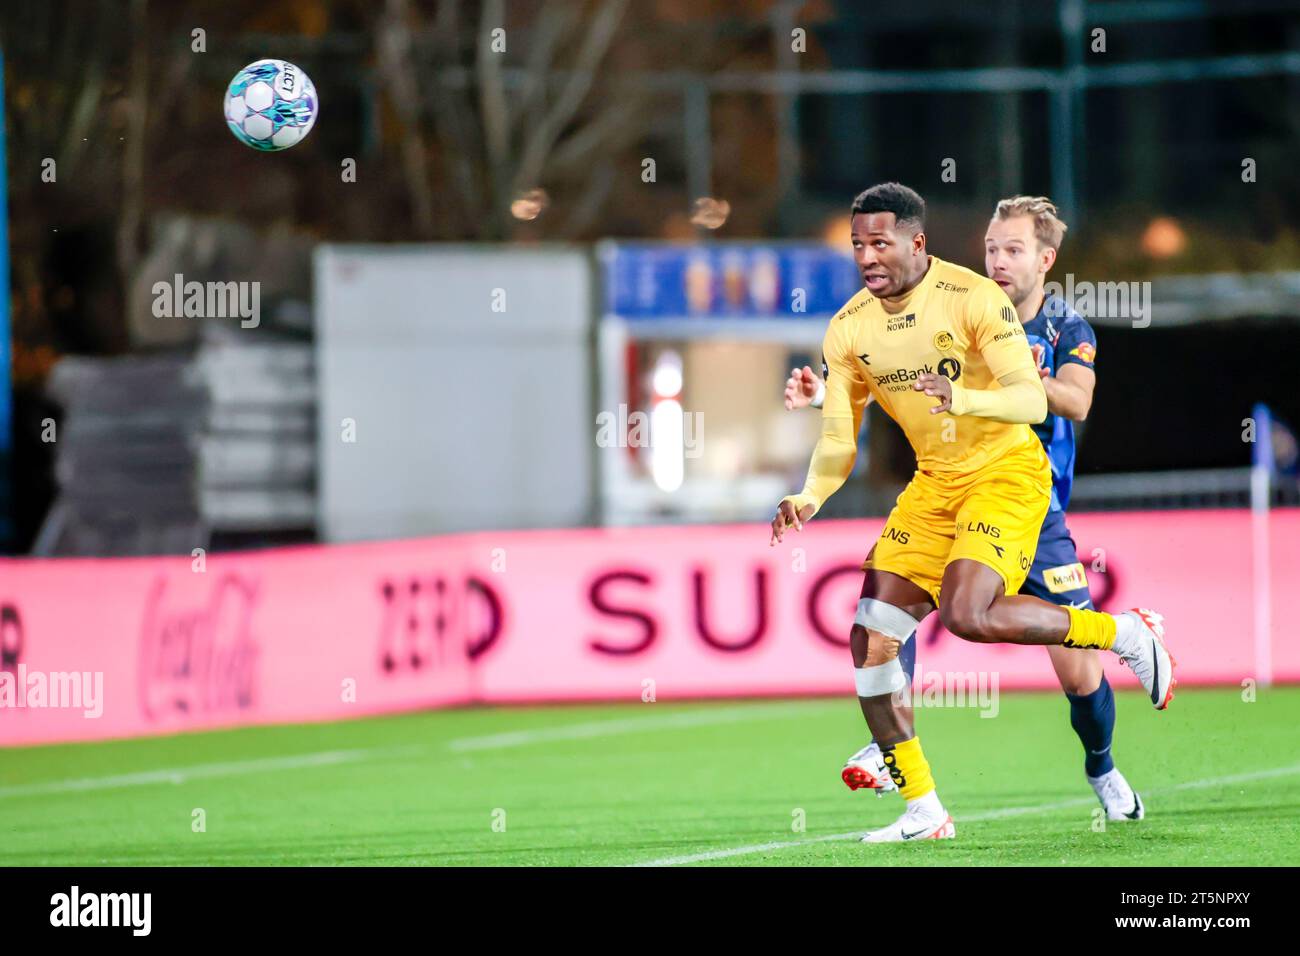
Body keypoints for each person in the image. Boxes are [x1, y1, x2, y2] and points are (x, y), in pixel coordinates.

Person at [768, 183, 1174, 843]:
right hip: (938, 484)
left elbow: (1045, 403)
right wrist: (809, 495)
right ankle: (922, 803)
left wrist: (962, 397)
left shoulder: (998, 307)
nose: (867, 255)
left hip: (1014, 483)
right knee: (873, 627)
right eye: (858, 244)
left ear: (916, 242)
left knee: (977, 620)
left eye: (881, 241)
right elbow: (844, 436)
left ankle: (1118, 655)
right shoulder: (847, 327)